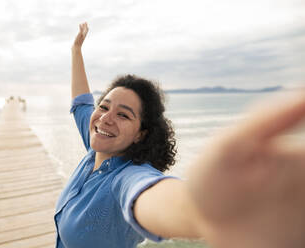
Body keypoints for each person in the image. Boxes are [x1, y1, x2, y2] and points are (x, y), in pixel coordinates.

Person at [54, 22, 305, 248]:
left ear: (141, 134)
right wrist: (76, 50)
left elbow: (154, 197)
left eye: (124, 115)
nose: (106, 117)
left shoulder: (127, 178)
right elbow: (81, 101)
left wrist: (208, 211)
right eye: (104, 106)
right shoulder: (98, 142)